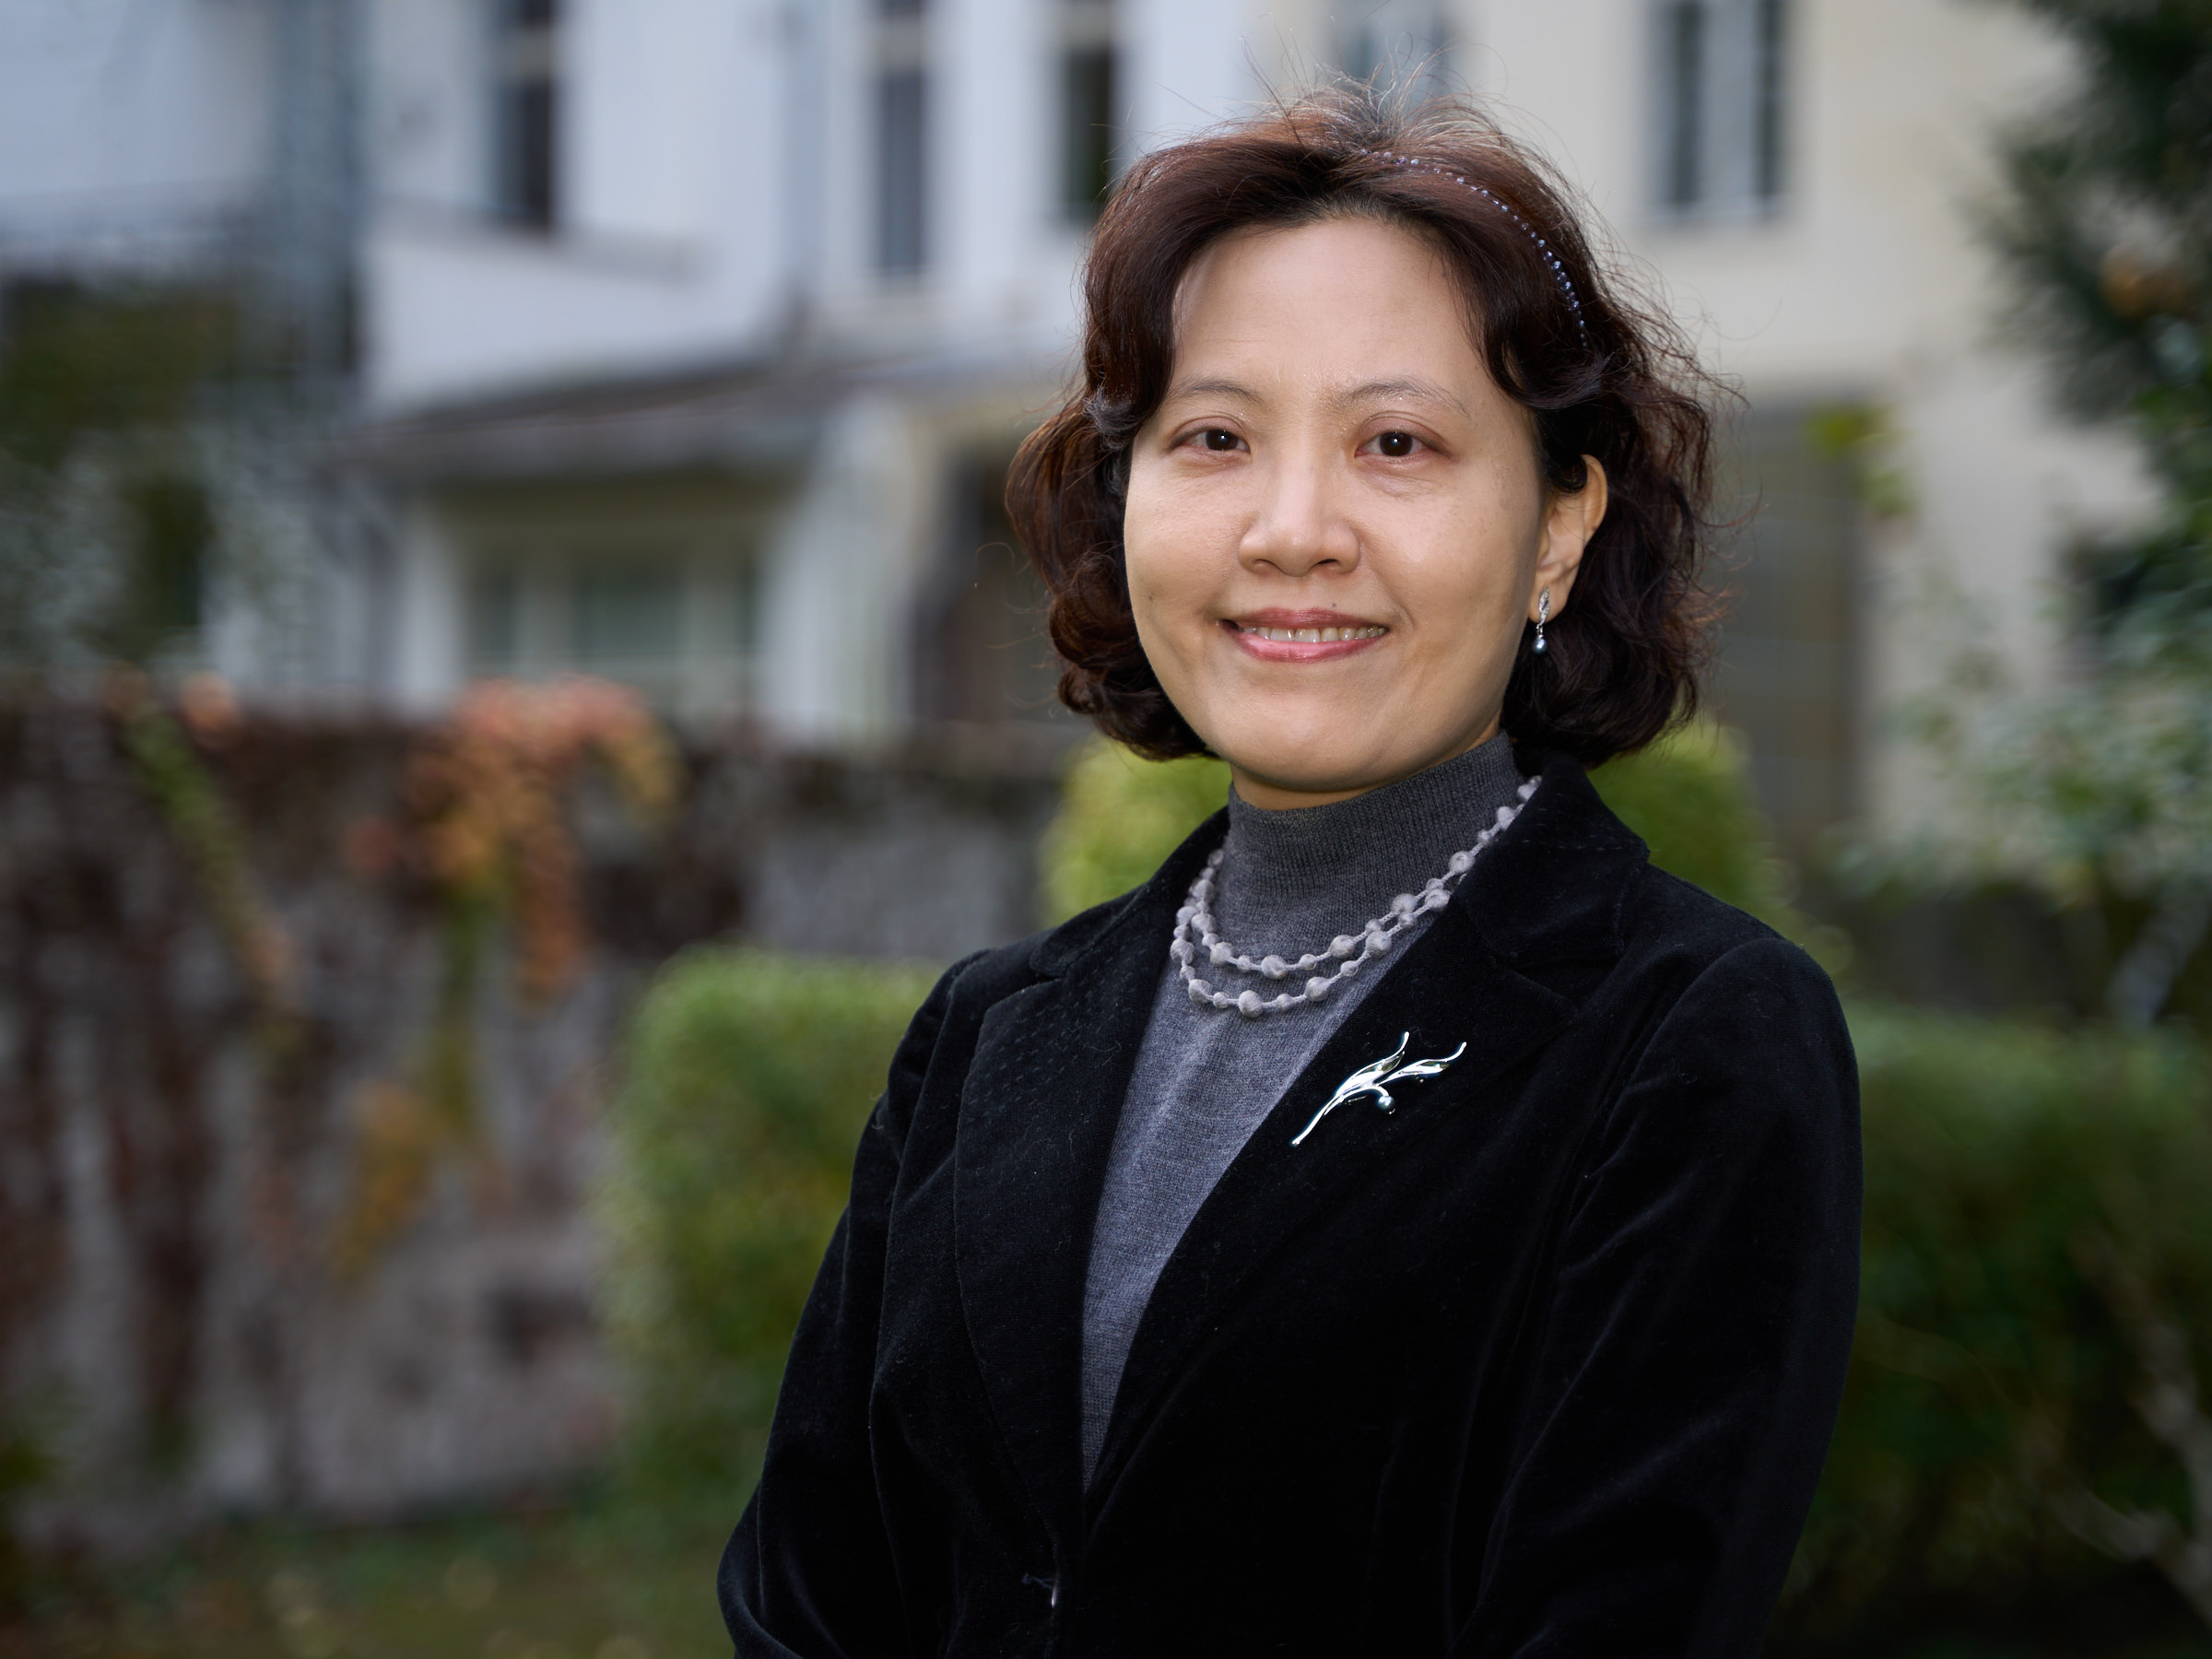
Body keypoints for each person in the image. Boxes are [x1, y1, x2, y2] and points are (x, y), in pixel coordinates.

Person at [721, 88, 1859, 1658]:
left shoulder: (1690, 1040)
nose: (1293, 529)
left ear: (1559, 526)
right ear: (1129, 496)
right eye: (1215, 438)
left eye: (1397, 443)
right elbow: (807, 1601)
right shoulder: (984, 1038)